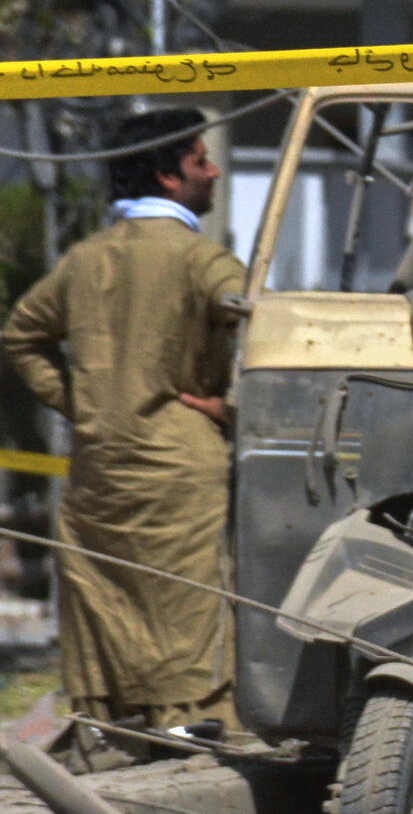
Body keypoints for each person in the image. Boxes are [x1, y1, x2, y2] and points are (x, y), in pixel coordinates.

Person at [2, 109, 246, 754]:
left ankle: (116, 729)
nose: (214, 171)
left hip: (97, 465)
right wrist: (228, 408)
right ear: (168, 177)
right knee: (189, 599)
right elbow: (258, 323)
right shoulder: (204, 259)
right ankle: (193, 727)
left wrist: (82, 403)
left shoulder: (85, 260)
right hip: (180, 464)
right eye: (201, 161)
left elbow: (21, 335)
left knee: (106, 593)